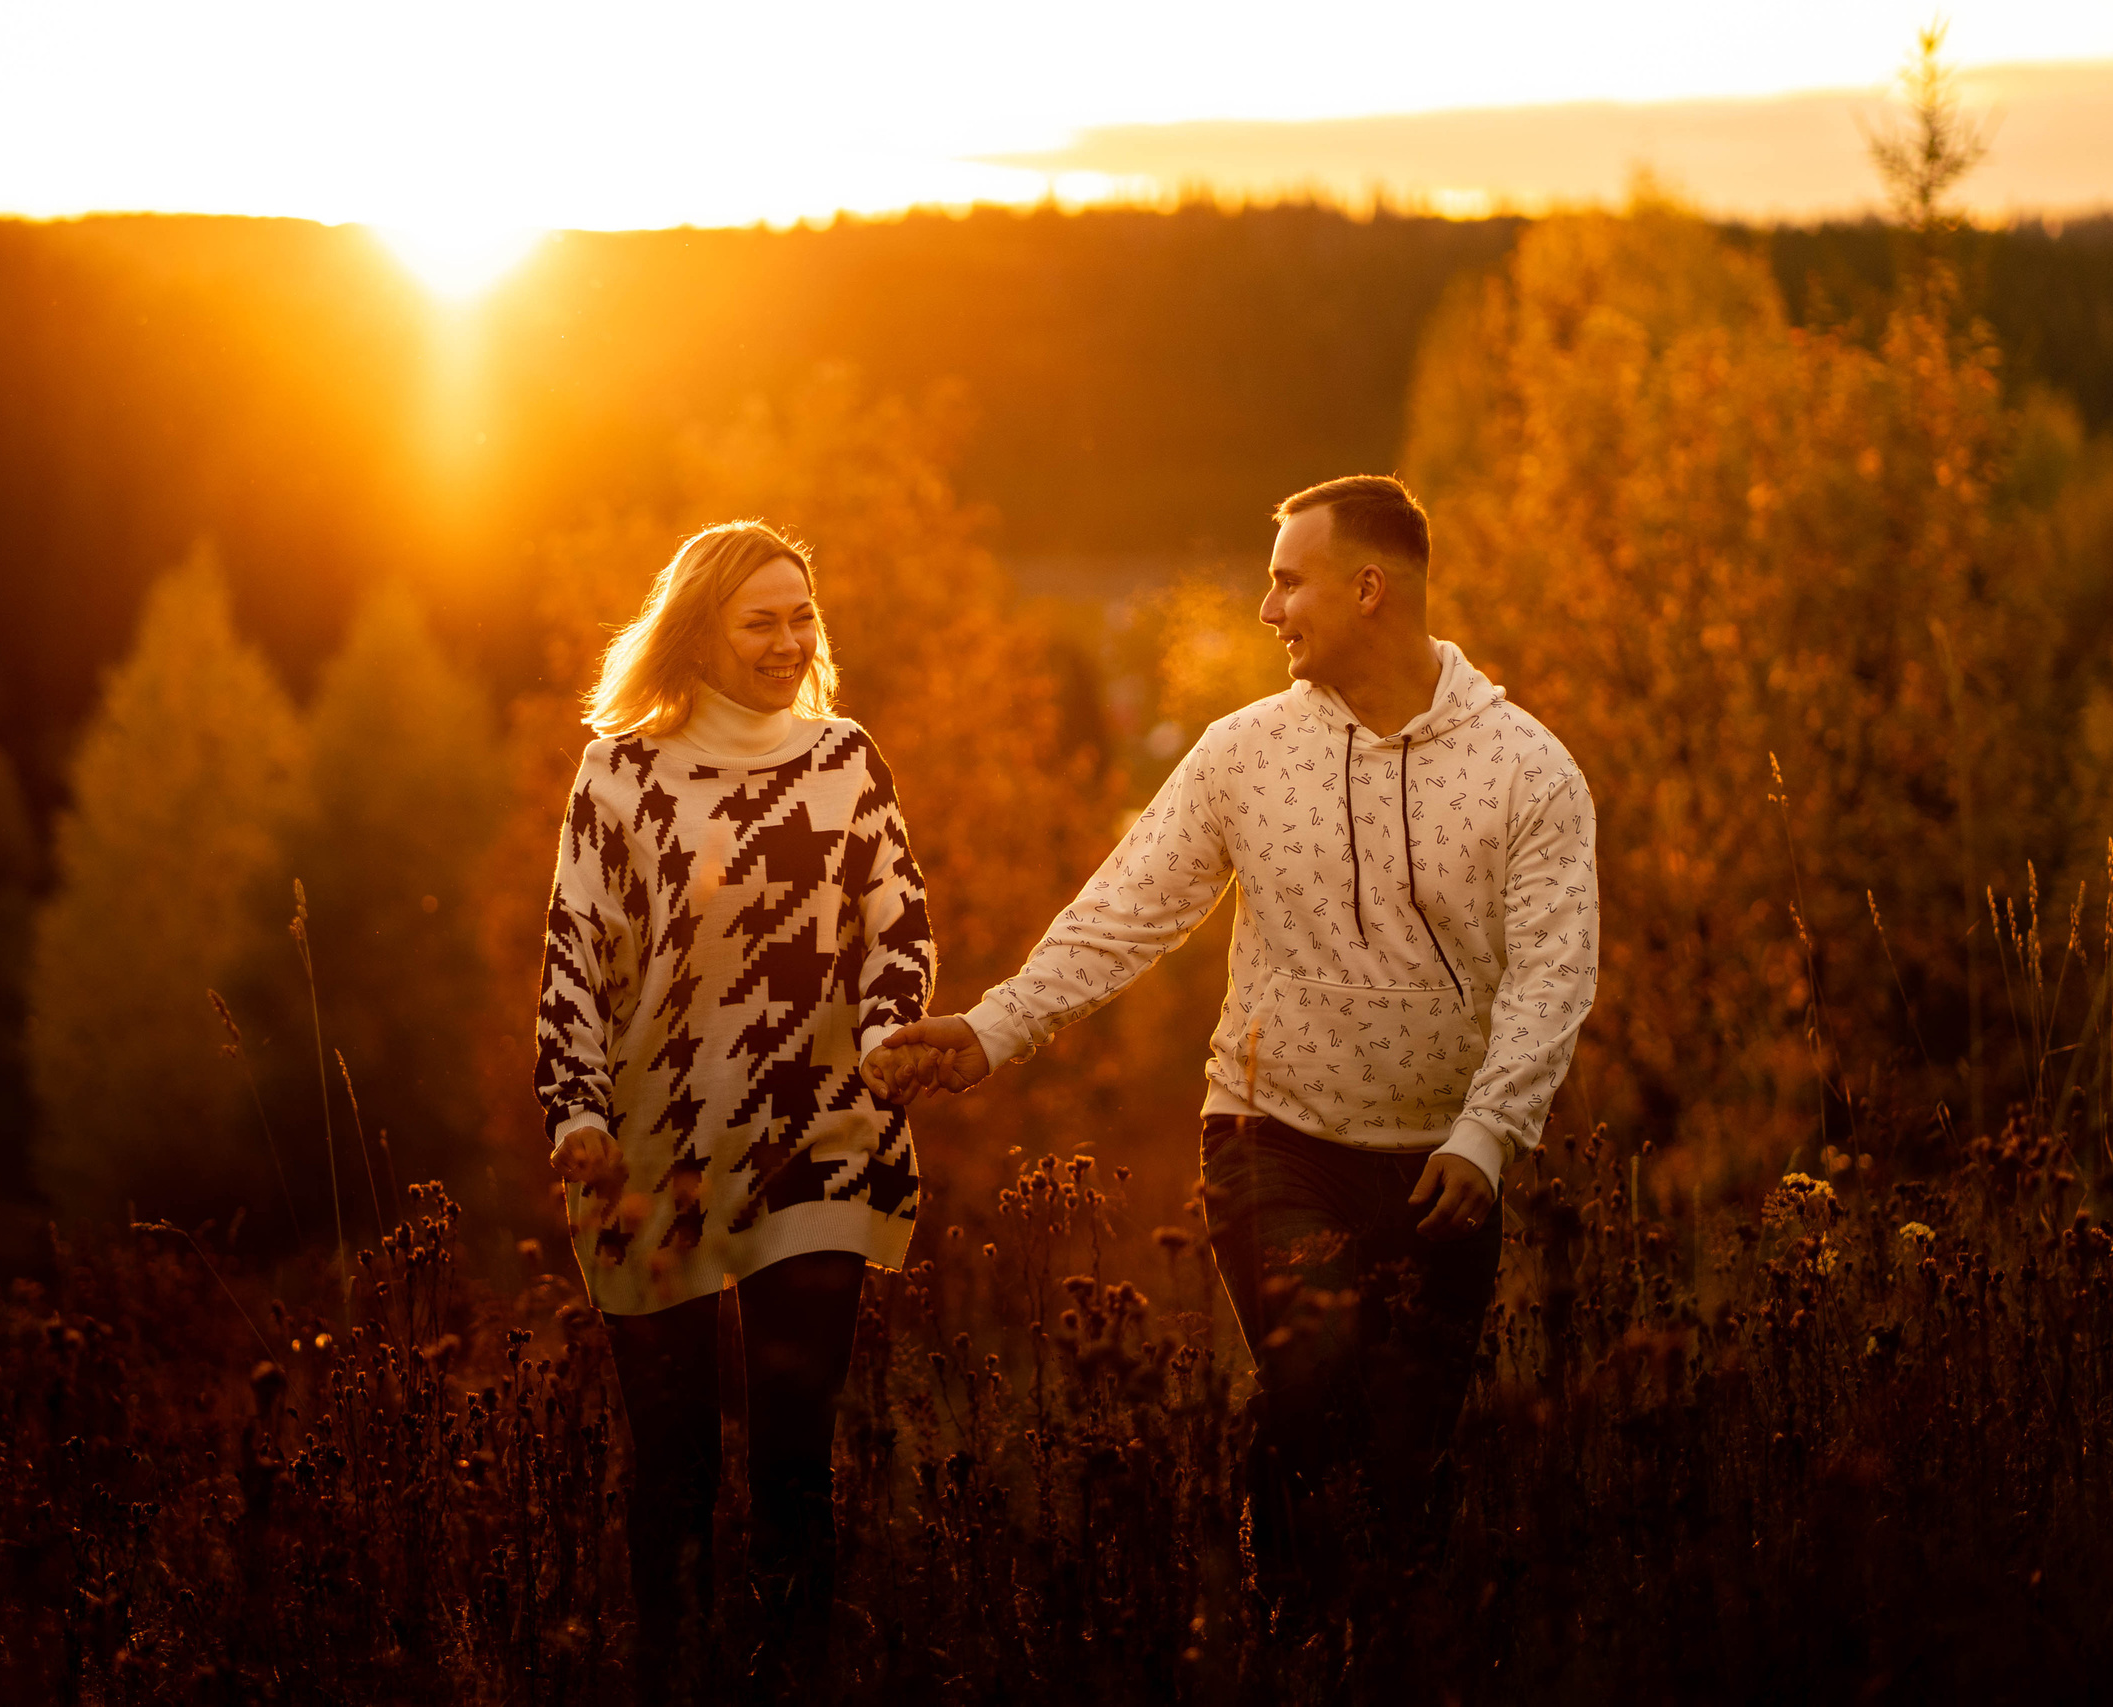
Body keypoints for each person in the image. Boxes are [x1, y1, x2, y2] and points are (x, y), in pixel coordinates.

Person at [881, 475, 1596, 1603]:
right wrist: (992, 1028)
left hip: (1444, 1168)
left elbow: (1555, 971)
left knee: (1411, 1456)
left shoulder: (1527, 771)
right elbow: (1125, 911)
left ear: (1369, 589)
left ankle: (1396, 1649)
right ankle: (1285, 1622)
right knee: (1314, 1386)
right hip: (1273, 1137)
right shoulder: (1242, 754)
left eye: (1287, 580)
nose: (1268, 610)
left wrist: (1490, 1133)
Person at [534, 519, 938, 1685]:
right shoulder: (618, 773)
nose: (785, 641)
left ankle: (790, 1671)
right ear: (701, 628)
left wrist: (883, 1039)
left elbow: (896, 924)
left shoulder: (843, 759)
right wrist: (578, 1112)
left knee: (793, 1459)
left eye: (800, 618)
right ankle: (672, 1667)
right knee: (670, 1468)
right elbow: (577, 949)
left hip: (820, 1139)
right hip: (651, 1149)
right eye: (760, 621)